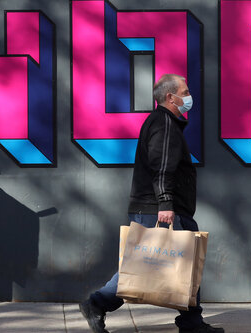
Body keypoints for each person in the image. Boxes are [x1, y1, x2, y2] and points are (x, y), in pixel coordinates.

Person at [79, 74, 224, 333]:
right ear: (171, 97)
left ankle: (191, 322)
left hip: (160, 206)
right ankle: (97, 303)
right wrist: (165, 204)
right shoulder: (165, 124)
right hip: (161, 208)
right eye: (185, 91)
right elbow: (162, 168)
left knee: (181, 262)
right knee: (143, 265)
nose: (189, 97)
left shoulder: (163, 122)